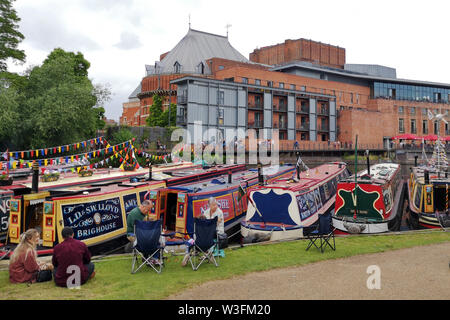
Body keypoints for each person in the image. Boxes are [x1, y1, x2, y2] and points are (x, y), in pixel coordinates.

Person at [181, 197, 225, 266]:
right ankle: (207, 253)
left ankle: (194, 252)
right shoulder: (206, 212)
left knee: (199, 236)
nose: (215, 206)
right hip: (207, 233)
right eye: (213, 205)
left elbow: (217, 222)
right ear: (209, 206)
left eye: (216, 204)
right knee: (203, 235)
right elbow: (203, 220)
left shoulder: (219, 212)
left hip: (217, 231)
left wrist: (207, 223)